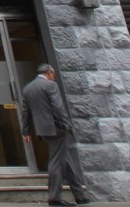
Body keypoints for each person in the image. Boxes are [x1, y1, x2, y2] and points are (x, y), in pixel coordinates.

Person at [21, 63, 93, 207]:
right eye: (53, 74)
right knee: (56, 162)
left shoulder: (27, 88)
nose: (54, 77)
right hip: (56, 128)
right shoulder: (50, 86)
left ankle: (79, 195)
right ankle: (54, 198)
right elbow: (58, 107)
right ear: (49, 72)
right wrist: (66, 124)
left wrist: (26, 131)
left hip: (43, 130)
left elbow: (25, 112)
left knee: (65, 160)